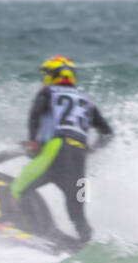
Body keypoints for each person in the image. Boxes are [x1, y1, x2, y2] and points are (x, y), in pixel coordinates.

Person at [9, 56, 114, 249]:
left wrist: (33, 140)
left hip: (56, 149)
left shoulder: (48, 92)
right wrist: (93, 150)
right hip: (80, 161)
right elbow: (108, 133)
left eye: (46, 75)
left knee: (18, 189)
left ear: (54, 75)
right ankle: (88, 246)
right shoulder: (87, 102)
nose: (43, 79)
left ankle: (32, 231)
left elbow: (36, 113)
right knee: (78, 214)